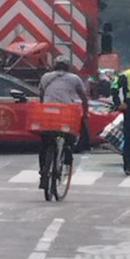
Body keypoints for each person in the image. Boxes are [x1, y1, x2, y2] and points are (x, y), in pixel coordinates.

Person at [37, 59, 89, 193]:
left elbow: (41, 96)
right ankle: (67, 155)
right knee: (69, 137)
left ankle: (43, 172)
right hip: (66, 114)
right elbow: (84, 97)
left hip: (48, 113)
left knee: (44, 143)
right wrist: (85, 114)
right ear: (68, 67)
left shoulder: (45, 77)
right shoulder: (74, 78)